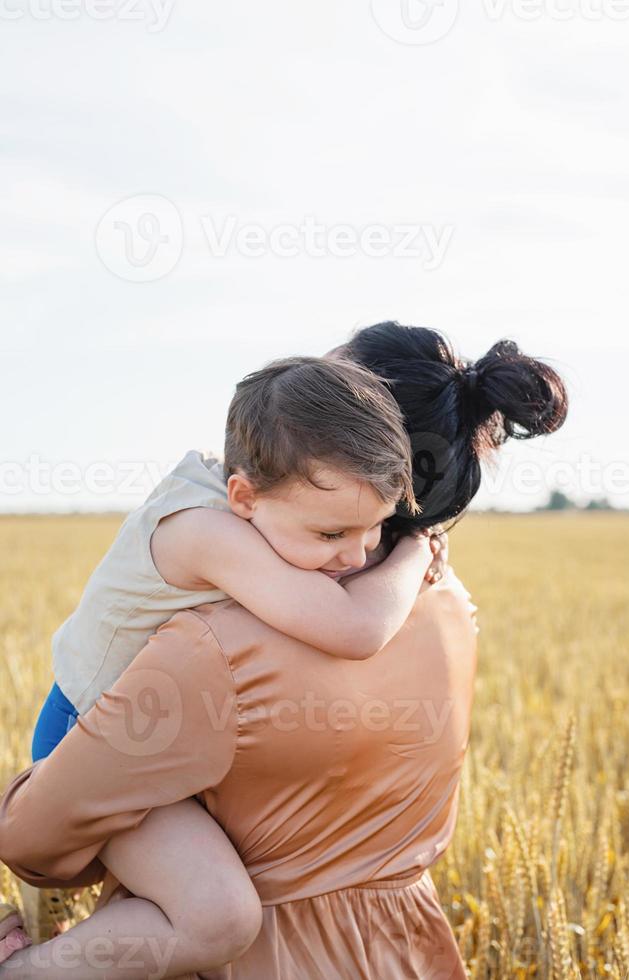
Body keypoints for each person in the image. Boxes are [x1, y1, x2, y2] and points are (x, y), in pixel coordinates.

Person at [0, 322, 568, 977]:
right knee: (212, 912)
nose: (354, 554)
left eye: (377, 528)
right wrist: (416, 546)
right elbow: (353, 628)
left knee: (215, 913)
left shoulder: (275, 559)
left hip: (143, 756)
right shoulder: (223, 539)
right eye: (334, 531)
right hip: (84, 725)